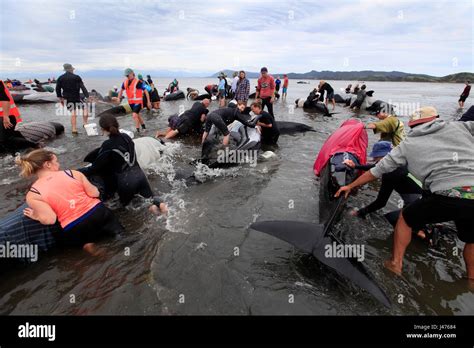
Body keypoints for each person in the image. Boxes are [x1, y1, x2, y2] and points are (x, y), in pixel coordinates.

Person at [335, 106, 474, 279]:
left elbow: (376, 171)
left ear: (412, 125)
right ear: (436, 118)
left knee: (404, 219)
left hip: (446, 193)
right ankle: (471, 279)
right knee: (471, 239)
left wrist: (350, 187)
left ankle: (395, 264)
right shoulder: (462, 127)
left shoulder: (407, 145)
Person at [16, 149, 124, 254]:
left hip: (75, 225)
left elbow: (50, 219)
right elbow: (94, 194)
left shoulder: (33, 193)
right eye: (56, 161)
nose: (58, 165)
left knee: (84, 241)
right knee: (120, 234)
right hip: (98, 212)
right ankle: (123, 245)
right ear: (47, 164)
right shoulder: (72, 173)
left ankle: (89, 246)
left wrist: (36, 216)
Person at [343, 141, 435, 244]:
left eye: (376, 158)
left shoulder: (390, 173)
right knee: (409, 210)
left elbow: (381, 202)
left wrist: (360, 212)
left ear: (385, 157)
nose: (374, 160)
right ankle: (425, 223)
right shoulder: (402, 160)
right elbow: (376, 167)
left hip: (423, 205)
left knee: (389, 220)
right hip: (433, 199)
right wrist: (356, 166)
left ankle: (423, 233)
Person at [79, 114, 167, 215]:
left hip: (126, 182)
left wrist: (74, 172)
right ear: (117, 125)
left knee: (128, 211)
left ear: (102, 129)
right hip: (140, 176)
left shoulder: (107, 145)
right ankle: (162, 207)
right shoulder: (126, 137)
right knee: (151, 200)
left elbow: (94, 168)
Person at [0, 80, 37, 152]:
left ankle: (35, 146)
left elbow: (5, 100)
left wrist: (5, 117)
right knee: (8, 135)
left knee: (4, 140)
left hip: (7, 116)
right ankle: (15, 135)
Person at [56, 63, 89, 135]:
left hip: (67, 98)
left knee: (73, 112)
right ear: (71, 69)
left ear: (65, 70)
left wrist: (60, 99)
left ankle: (74, 129)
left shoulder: (60, 78)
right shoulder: (76, 77)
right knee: (85, 109)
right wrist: (87, 96)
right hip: (77, 97)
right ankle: (85, 123)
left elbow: (57, 89)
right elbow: (83, 87)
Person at [117, 68, 151, 133]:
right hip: (131, 103)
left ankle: (138, 131)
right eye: (126, 75)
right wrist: (119, 98)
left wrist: (148, 101)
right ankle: (143, 127)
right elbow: (121, 90)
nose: (127, 76)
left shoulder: (138, 82)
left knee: (134, 115)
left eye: (128, 75)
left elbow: (146, 91)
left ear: (132, 74)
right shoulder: (125, 82)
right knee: (137, 115)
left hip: (138, 102)